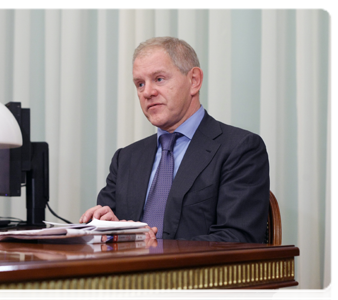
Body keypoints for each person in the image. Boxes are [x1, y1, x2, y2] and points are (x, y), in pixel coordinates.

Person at [79, 37, 269, 243]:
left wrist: (153, 247)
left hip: (198, 275)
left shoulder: (240, 149)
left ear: (194, 80)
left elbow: (238, 238)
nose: (148, 92)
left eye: (159, 79)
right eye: (140, 84)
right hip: (125, 275)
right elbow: (104, 233)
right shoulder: (126, 158)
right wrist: (108, 230)